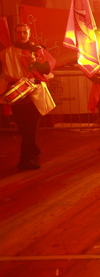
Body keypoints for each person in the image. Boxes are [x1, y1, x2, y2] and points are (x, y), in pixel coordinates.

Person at [0, 23, 56, 170]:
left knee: (30, 128)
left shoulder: (37, 51)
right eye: (19, 32)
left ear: (29, 33)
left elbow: (46, 69)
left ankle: (27, 159)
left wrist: (35, 63)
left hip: (34, 93)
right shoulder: (6, 53)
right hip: (17, 95)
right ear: (15, 34)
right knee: (24, 129)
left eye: (25, 32)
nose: (22, 35)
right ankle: (33, 152)